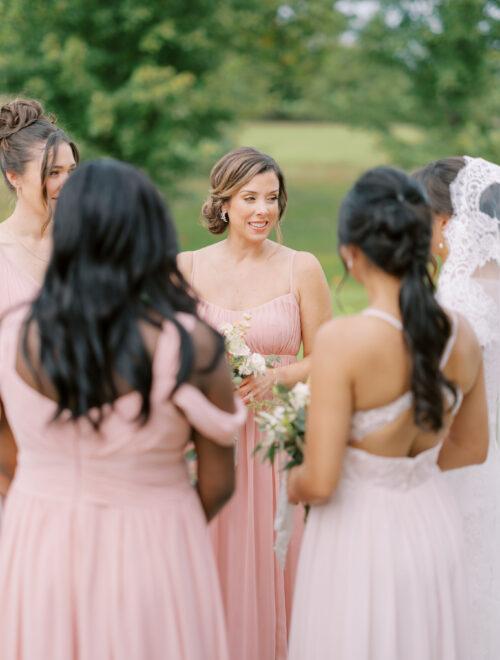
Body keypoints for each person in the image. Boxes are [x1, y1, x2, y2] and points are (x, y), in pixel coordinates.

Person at [0, 159, 246, 660]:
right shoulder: (191, 345)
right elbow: (219, 484)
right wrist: (158, 515)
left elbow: (7, 459)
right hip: (157, 553)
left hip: (39, 551)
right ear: (149, 234)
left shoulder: (12, 335)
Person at [287, 166, 488, 660]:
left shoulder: (344, 341)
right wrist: (405, 473)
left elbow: (321, 481)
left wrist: (289, 480)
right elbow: (471, 448)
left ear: (350, 253)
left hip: (362, 534)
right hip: (431, 522)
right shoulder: (461, 334)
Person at [177, 146, 332, 660]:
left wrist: (280, 375)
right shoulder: (188, 267)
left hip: (275, 445)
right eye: (250, 198)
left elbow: (332, 354)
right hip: (207, 444)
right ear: (223, 203)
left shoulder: (301, 268)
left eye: (272, 198)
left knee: (275, 558)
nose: (264, 209)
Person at [414, 156, 500, 660]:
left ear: (443, 220)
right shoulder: (490, 282)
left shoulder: (460, 293)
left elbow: (441, 395)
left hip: (458, 461)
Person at [0, 97, 79, 507]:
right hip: (11, 444)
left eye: (71, 172)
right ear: (13, 176)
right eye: (53, 173)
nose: (65, 183)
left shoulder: (87, 250)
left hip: (81, 442)